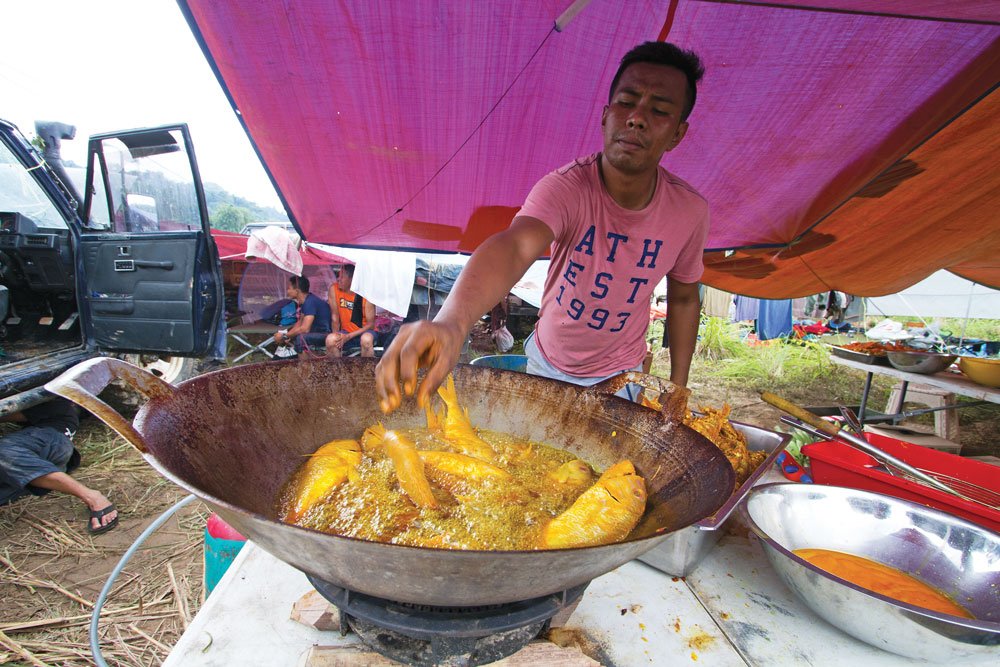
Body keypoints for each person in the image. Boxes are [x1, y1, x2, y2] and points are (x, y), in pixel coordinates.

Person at [377, 41, 708, 412]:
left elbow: (682, 299)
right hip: (548, 365)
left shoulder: (689, 211)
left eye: (659, 110)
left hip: (623, 376)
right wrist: (452, 323)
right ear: (605, 115)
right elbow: (515, 246)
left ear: (678, 133)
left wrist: (678, 389)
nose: (636, 118)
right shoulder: (566, 187)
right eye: (626, 102)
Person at [0, 399, 119, 534]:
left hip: (51, 438)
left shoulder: (35, 387)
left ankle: (92, 497)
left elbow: (53, 408)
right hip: (30, 456)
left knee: (3, 453)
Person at [326, 264, 382, 358]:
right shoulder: (334, 289)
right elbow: (335, 317)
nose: (338, 279)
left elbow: (371, 325)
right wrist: (338, 336)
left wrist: (349, 336)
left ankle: (366, 372)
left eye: (342, 277)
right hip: (346, 332)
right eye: (338, 276)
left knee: (366, 340)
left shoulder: (365, 294)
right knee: (330, 339)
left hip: (365, 332)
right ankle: (337, 371)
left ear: (352, 279)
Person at [272, 275, 332, 354]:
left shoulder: (310, 302)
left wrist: (285, 336)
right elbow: (300, 322)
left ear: (297, 291)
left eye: (289, 288)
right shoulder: (307, 300)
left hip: (325, 334)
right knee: (292, 334)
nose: (287, 291)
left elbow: (305, 329)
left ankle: (304, 365)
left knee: (301, 338)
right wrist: (286, 334)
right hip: (316, 333)